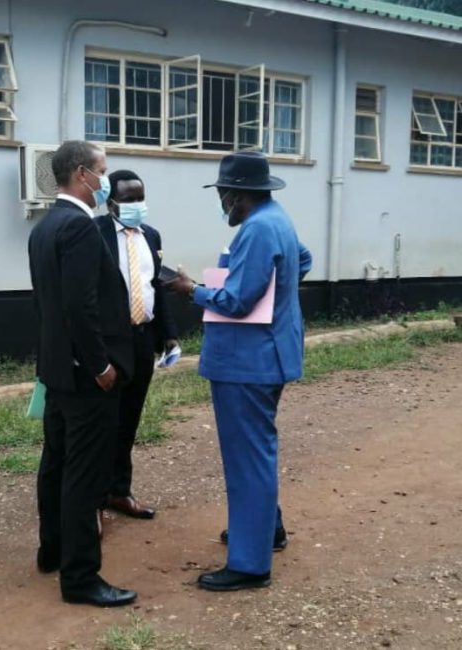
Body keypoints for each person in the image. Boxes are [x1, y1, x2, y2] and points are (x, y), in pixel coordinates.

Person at [166, 151, 312, 592]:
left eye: (223, 195)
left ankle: (250, 565)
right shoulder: (277, 218)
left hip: (247, 362)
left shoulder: (257, 229)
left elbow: (236, 301)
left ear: (235, 195)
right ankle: (267, 530)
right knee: (257, 450)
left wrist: (191, 289)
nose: (222, 203)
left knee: (248, 459)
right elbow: (302, 261)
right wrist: (277, 295)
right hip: (269, 353)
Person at [28, 141, 137, 607]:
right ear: (80, 174)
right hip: (85, 376)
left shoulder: (45, 227)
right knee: (84, 475)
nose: (105, 180)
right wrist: (101, 365)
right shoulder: (79, 227)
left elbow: (49, 306)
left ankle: (52, 551)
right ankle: (80, 577)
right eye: (102, 171)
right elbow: (80, 306)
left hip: (57, 370)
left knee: (55, 464)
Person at [95, 170, 178, 520]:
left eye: (140, 198)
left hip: (141, 339)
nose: (136, 205)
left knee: (129, 419)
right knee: (103, 423)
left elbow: (155, 286)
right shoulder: (94, 233)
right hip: (109, 342)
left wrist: (168, 334)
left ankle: (119, 491)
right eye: (128, 199)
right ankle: (94, 501)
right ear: (111, 202)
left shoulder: (151, 235)